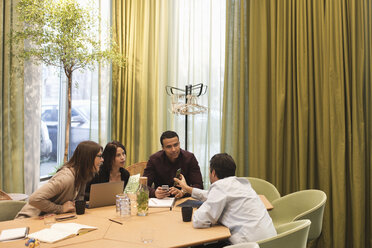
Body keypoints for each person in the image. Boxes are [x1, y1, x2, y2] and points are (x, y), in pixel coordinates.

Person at [174, 153, 277, 246]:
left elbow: (199, 221)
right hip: (272, 241)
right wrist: (187, 188)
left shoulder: (220, 187)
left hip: (248, 244)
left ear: (213, 172)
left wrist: (200, 209)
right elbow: (213, 195)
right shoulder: (242, 184)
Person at [16, 141, 103, 218]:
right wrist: (61, 209)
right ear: (88, 158)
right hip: (29, 219)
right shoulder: (66, 178)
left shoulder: (82, 175)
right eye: (99, 156)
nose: (102, 160)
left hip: (49, 219)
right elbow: (34, 199)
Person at [143, 130, 203, 198]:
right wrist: (154, 193)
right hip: (161, 201)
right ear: (163, 148)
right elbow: (143, 186)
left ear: (179, 143)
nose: (173, 149)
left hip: (184, 199)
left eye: (176, 145)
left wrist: (183, 192)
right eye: (169, 147)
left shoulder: (189, 158)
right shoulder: (154, 159)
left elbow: (199, 186)